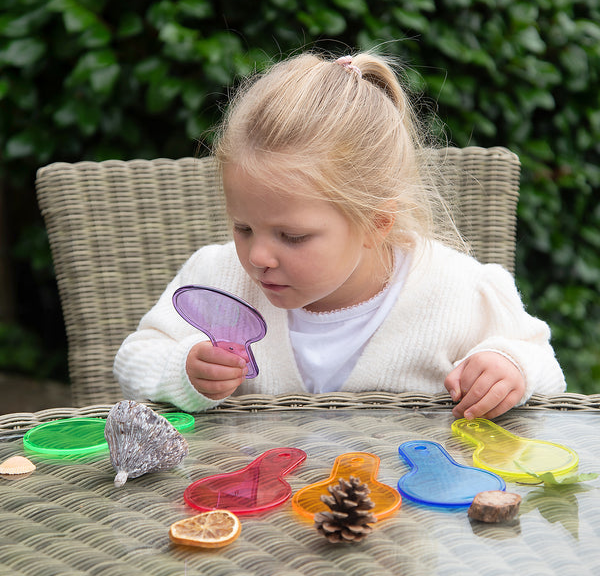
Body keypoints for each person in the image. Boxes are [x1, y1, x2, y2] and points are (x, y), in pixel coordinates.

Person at [113, 51, 566, 419]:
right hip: (253, 511)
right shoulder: (215, 277)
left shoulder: (458, 291)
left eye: (292, 236)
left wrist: (510, 367)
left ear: (376, 223)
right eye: (244, 227)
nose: (259, 257)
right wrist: (184, 371)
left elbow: (544, 365)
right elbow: (135, 356)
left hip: (405, 517)